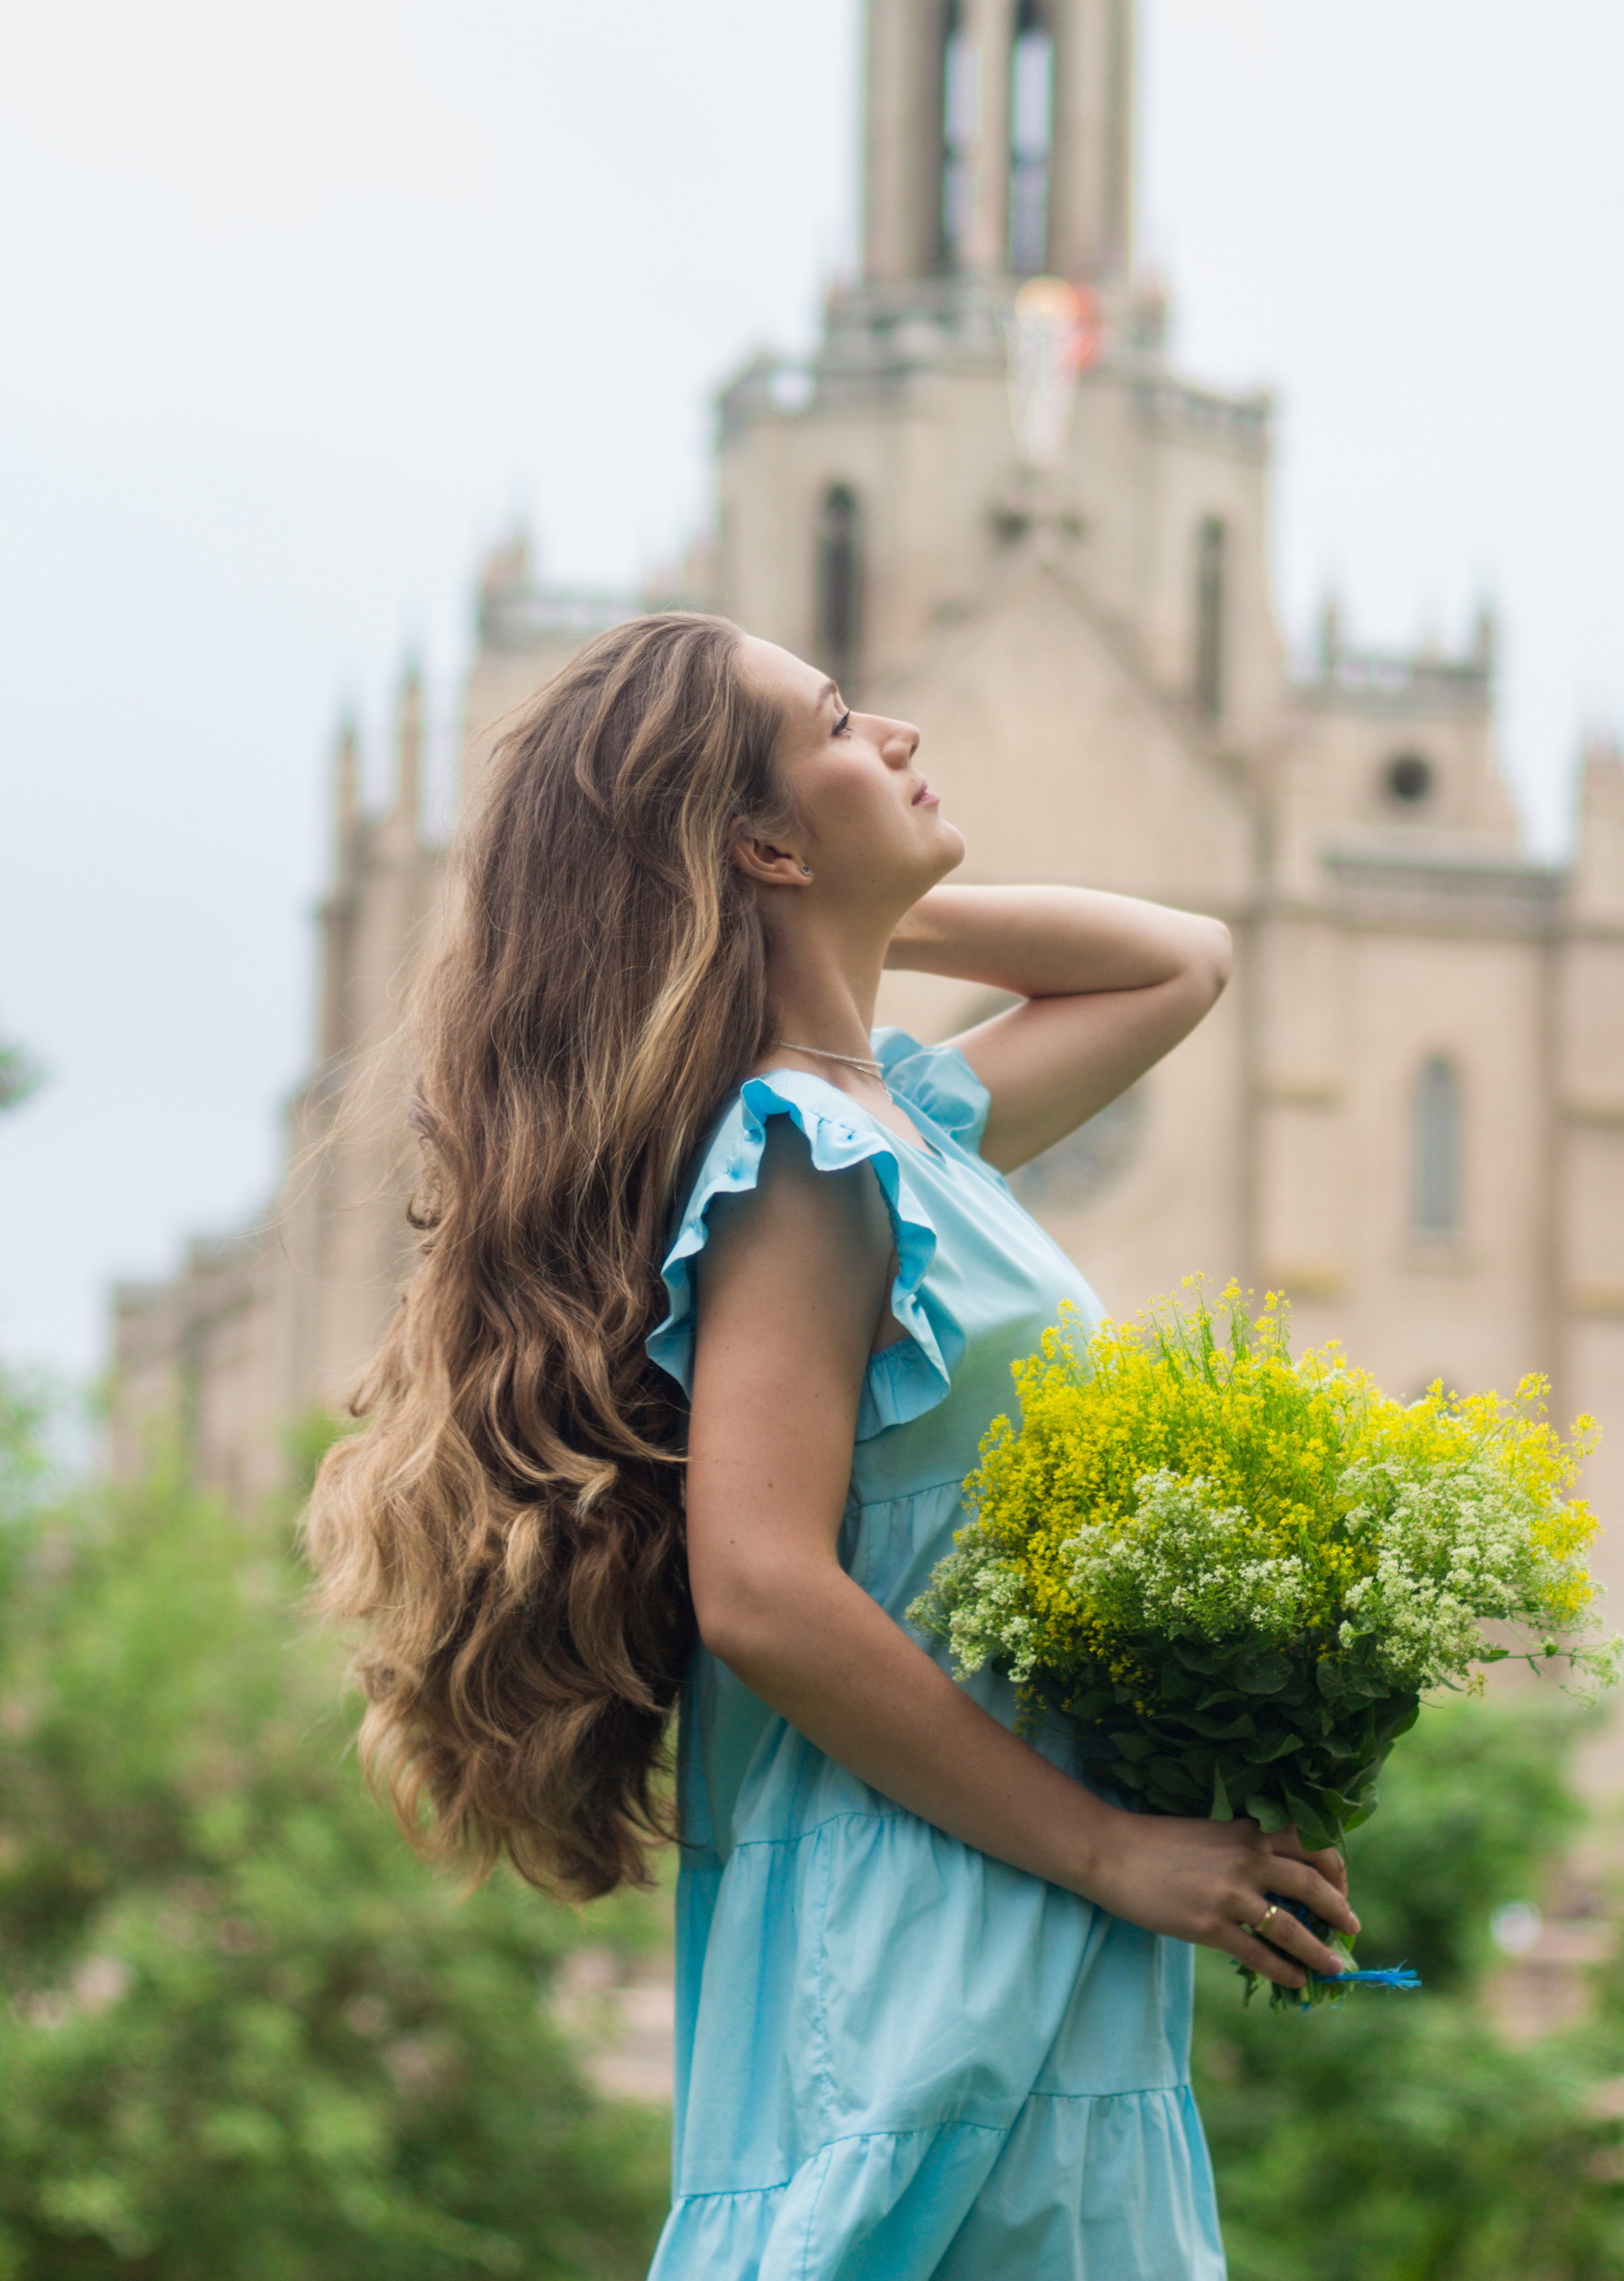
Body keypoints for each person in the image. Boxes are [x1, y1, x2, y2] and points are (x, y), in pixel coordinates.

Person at [309, 612, 1357, 2280]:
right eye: (841, 722)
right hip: (929, 1916)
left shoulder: (899, 1128)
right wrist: (1104, 1845)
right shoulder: (798, 1157)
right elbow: (759, 1587)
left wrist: (832, 898)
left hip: (1002, 1889)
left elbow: (1179, 960)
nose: (897, 732)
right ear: (758, 838)